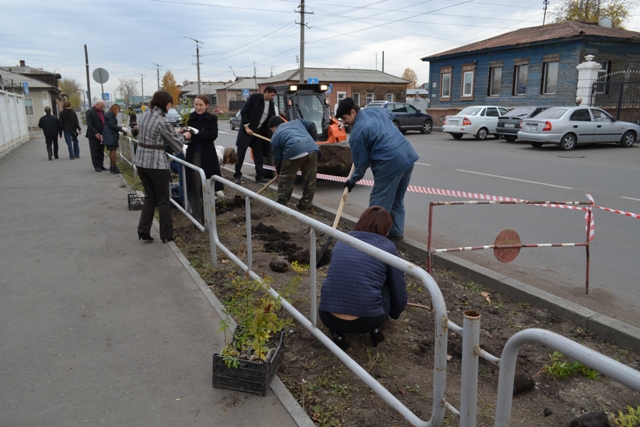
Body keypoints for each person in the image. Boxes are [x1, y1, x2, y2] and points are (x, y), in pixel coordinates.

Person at [319, 206, 407, 349]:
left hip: (328, 316)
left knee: (342, 276)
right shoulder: (387, 247)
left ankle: (338, 334)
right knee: (384, 279)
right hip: (368, 320)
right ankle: (375, 329)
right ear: (386, 228)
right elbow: (397, 286)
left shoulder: (342, 240)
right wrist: (395, 312)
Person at [336, 97, 419, 241]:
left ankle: (371, 240)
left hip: (389, 163)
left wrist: (351, 181)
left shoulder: (357, 133)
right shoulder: (375, 111)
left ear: (353, 112)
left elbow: (361, 164)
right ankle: (396, 234)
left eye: (345, 118)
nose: (344, 122)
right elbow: (390, 114)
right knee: (396, 200)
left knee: (377, 205)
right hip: (407, 156)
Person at [134, 90, 190, 243]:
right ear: (165, 104)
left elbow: (156, 134)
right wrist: (185, 135)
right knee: (164, 199)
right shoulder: (162, 120)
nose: (171, 106)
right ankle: (167, 235)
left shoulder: (145, 115)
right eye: (170, 103)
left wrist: (174, 132)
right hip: (156, 163)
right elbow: (176, 143)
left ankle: (143, 229)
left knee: (150, 196)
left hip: (141, 161)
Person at [185, 94, 223, 224]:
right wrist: (185, 134)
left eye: (201, 105)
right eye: (196, 104)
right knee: (195, 186)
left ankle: (209, 217)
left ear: (207, 106)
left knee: (207, 186)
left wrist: (198, 133)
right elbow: (186, 136)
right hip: (193, 154)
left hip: (208, 156)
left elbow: (213, 135)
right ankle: (197, 219)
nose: (198, 107)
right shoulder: (189, 118)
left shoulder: (212, 119)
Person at [268, 116, 320, 211]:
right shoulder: (297, 122)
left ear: (274, 126)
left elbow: (278, 158)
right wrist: (311, 140)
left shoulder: (275, 136)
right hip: (313, 149)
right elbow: (312, 125)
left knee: (287, 178)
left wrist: (280, 172)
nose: (272, 132)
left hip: (294, 151)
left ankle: (281, 204)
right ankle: (305, 204)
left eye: (272, 130)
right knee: (310, 180)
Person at [233, 86, 277, 184]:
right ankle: (237, 175)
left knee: (259, 154)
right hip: (246, 130)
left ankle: (259, 176)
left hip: (258, 132)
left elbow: (272, 119)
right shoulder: (254, 98)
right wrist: (247, 127)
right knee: (241, 154)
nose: (272, 97)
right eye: (272, 95)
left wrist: (274, 131)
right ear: (266, 92)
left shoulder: (270, 104)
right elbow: (244, 112)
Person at [103, 104, 129, 174]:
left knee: (113, 150)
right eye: (118, 110)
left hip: (110, 134)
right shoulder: (110, 114)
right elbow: (111, 125)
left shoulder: (109, 114)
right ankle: (114, 167)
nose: (118, 111)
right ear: (115, 108)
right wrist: (121, 128)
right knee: (113, 150)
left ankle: (112, 166)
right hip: (110, 135)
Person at [85, 100, 106, 172]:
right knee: (95, 151)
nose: (102, 108)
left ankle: (101, 165)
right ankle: (96, 166)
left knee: (101, 150)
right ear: (97, 104)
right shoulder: (90, 111)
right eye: (102, 106)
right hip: (94, 135)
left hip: (102, 134)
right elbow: (90, 124)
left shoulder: (102, 111)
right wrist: (96, 133)